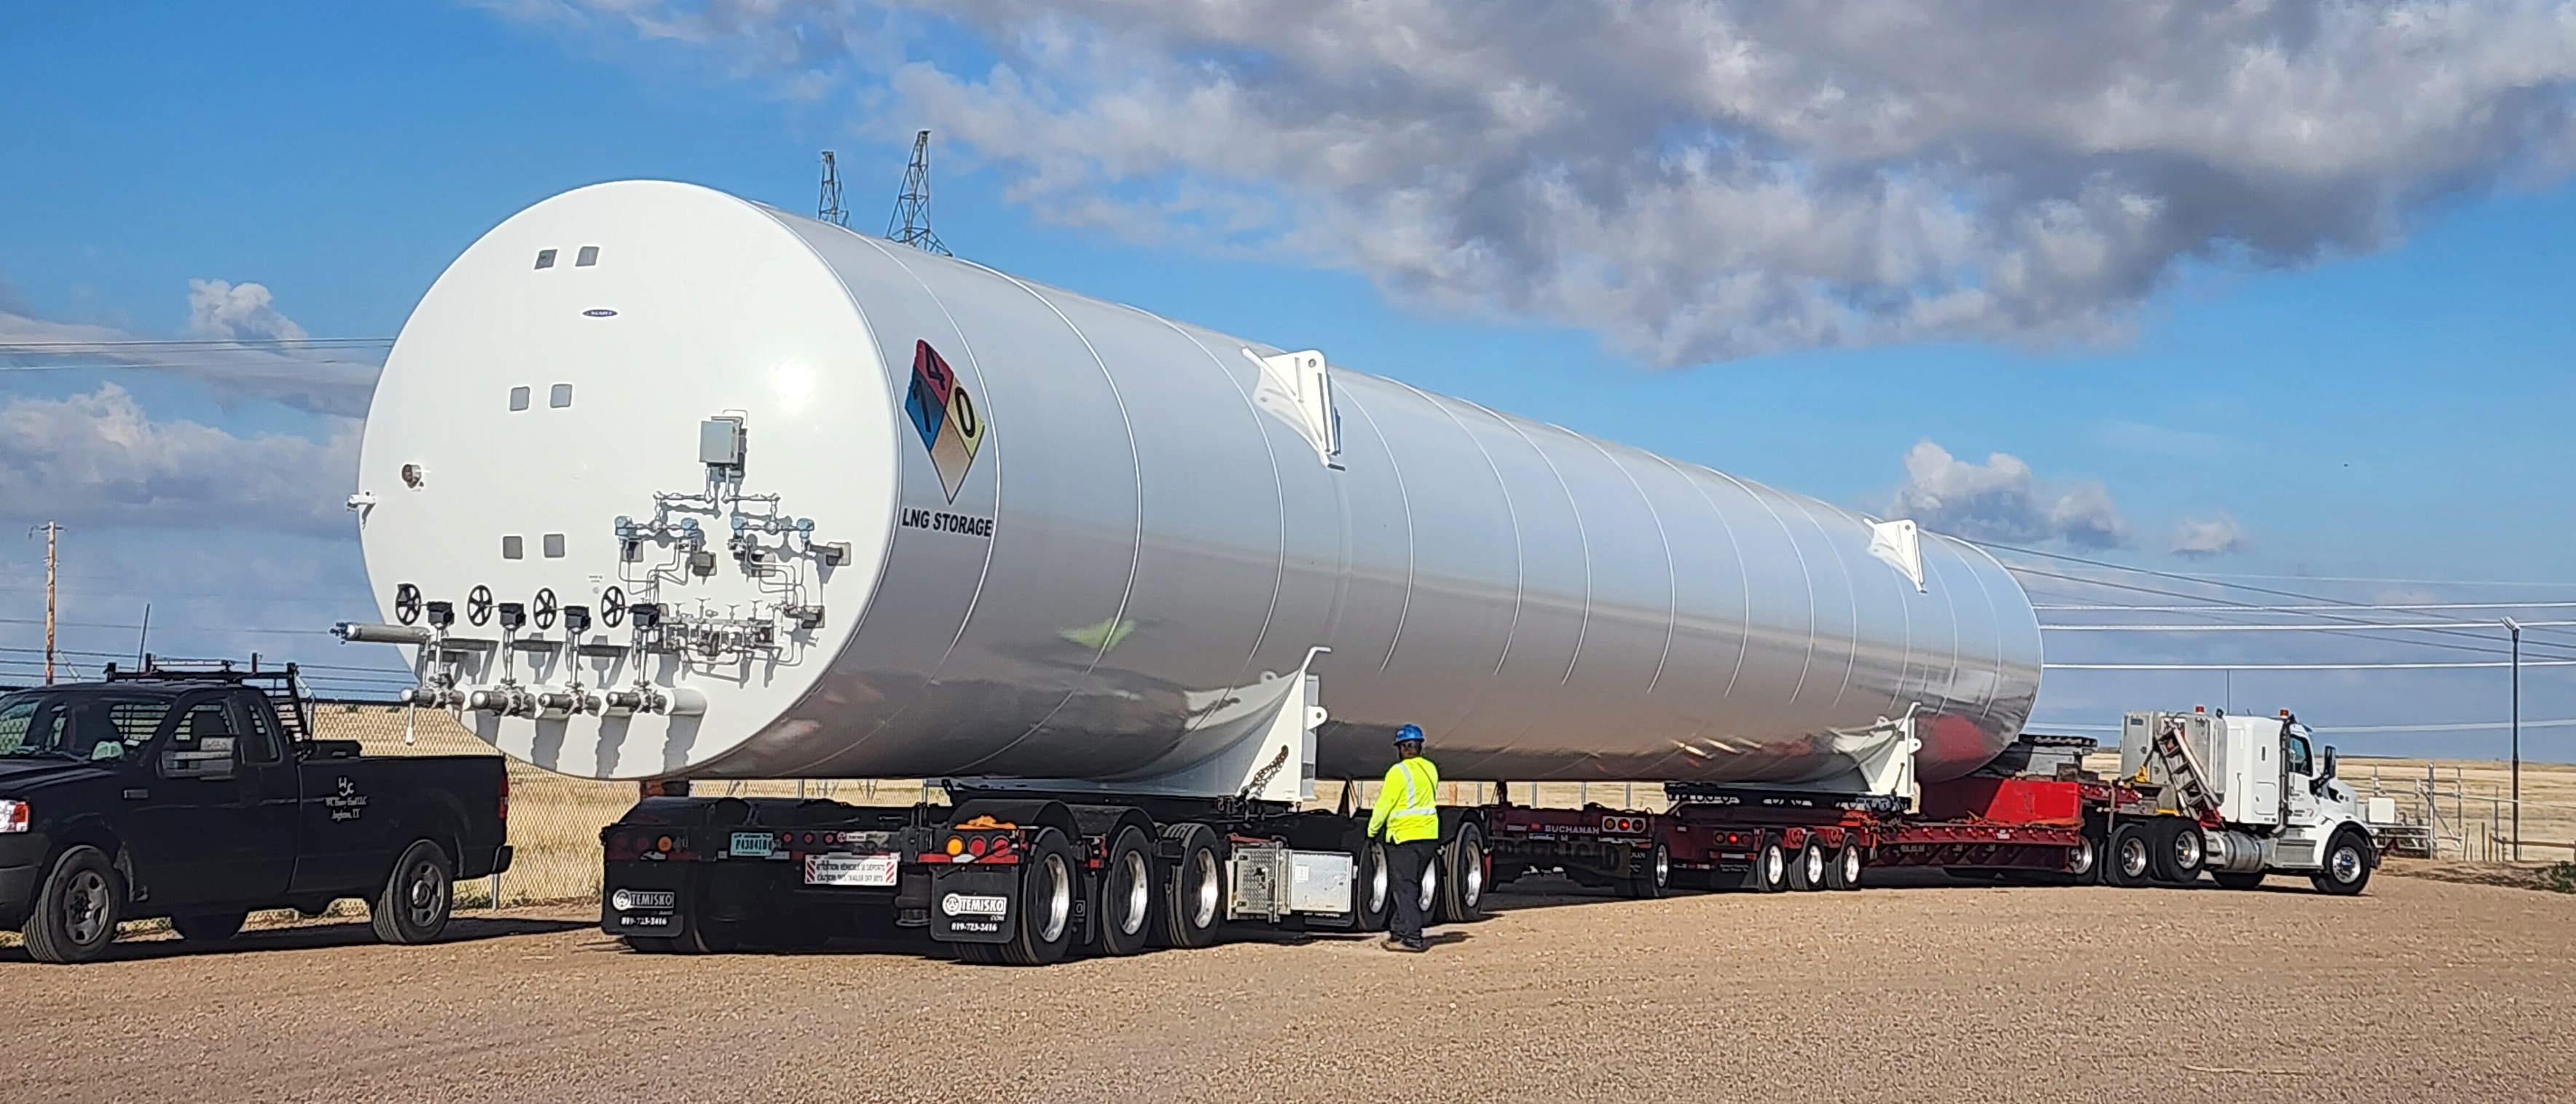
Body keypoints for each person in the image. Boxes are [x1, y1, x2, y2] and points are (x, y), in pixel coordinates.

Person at [1367, 722, 1441, 952]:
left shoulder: (1398, 772)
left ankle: (1412, 938)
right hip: (1429, 836)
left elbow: (1384, 805)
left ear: (1401, 748)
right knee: (1410, 886)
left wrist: (1371, 831)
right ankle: (1398, 931)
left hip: (1405, 837)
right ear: (1419, 747)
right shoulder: (1430, 769)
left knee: (1405, 888)